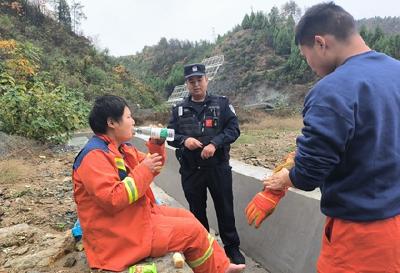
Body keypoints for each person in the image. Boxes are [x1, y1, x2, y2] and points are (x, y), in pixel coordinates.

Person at [261, 2, 400, 272]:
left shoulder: (332, 90)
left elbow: (310, 173)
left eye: (305, 55)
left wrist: (287, 176)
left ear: (320, 42)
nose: (309, 64)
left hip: (360, 235)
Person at [72, 95, 245, 273]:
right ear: (112, 123)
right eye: (129, 117)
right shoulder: (94, 156)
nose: (133, 122)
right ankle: (218, 270)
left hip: (133, 217)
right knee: (192, 232)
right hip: (118, 234)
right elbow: (112, 199)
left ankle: (221, 266)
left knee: (189, 218)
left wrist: (156, 145)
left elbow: (153, 166)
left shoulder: (122, 149)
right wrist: (144, 170)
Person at [167, 64, 245, 265]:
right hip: (191, 170)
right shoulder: (178, 109)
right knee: (197, 211)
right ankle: (204, 249)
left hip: (218, 167)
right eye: (191, 81)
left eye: (199, 80)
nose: (196, 85)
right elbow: (170, 135)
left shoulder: (222, 104)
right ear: (187, 84)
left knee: (225, 209)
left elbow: (234, 129)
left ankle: (232, 248)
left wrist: (215, 143)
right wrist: (185, 140)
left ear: (206, 80)